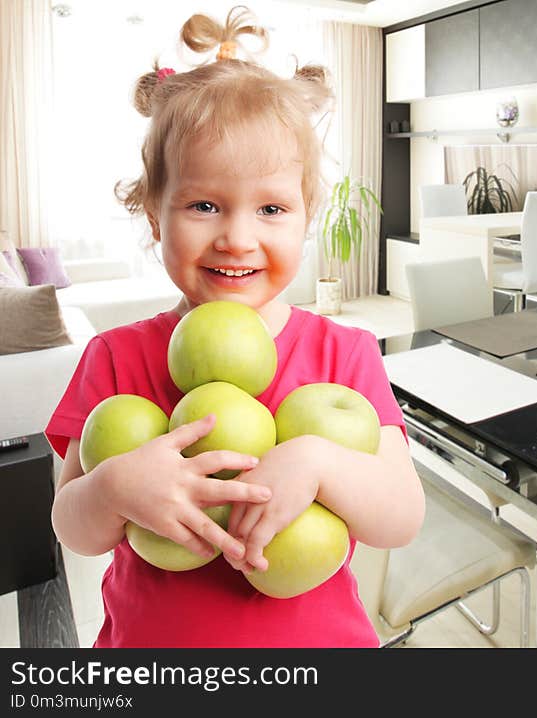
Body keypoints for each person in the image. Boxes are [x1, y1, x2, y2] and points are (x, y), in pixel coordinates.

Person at [45, 6, 425, 648]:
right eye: (203, 205)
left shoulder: (346, 352)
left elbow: (401, 515)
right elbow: (73, 528)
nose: (237, 237)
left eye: (272, 208)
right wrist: (113, 487)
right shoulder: (115, 358)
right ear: (154, 215)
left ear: (307, 217)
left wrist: (319, 459)